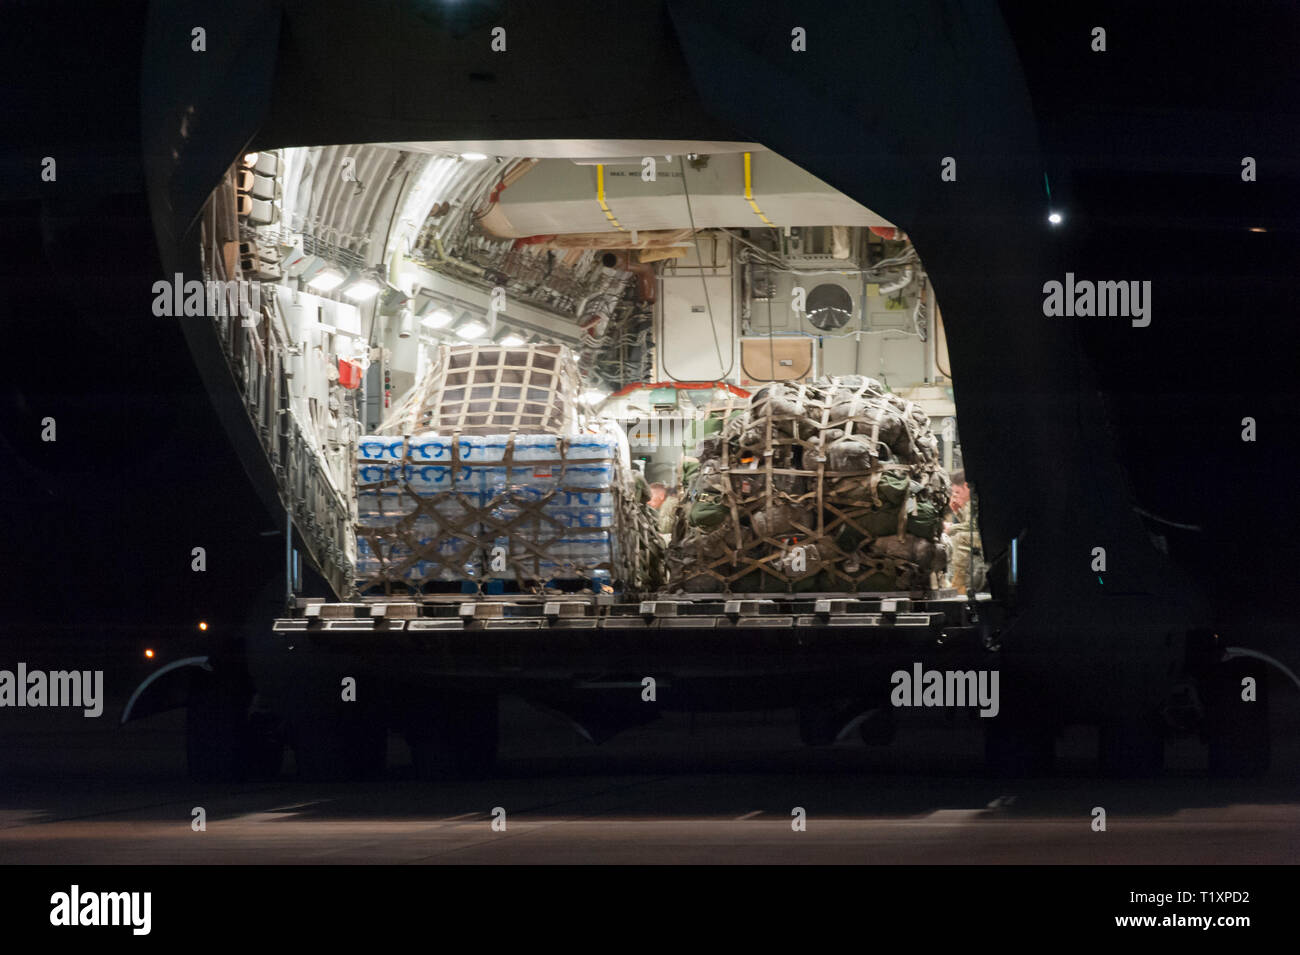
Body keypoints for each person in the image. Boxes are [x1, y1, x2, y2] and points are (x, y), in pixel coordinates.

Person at [945, 469, 984, 594]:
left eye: (958, 492)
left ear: (966, 486)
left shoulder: (975, 499)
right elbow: (969, 524)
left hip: (986, 537)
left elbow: (972, 526)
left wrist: (950, 529)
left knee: (959, 538)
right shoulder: (969, 500)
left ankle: (958, 583)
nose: (957, 495)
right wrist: (957, 510)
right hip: (979, 534)